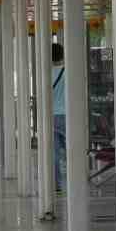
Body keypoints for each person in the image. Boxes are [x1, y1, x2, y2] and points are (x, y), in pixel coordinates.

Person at [50, 43, 67, 191]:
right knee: (71, 150)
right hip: (67, 115)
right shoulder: (68, 71)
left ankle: (58, 185)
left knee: (54, 153)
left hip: (51, 116)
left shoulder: (46, 73)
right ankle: (76, 178)